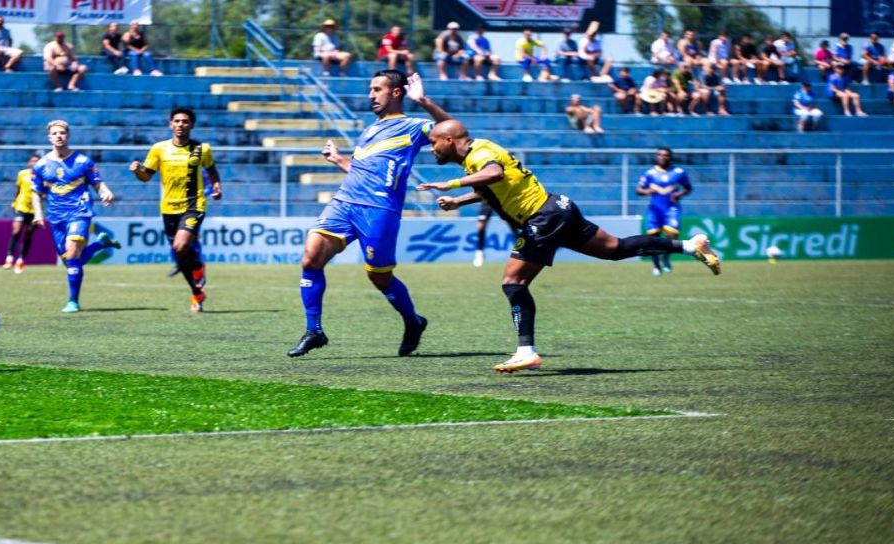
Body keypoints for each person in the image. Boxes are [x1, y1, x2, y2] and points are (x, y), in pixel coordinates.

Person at [417, 120, 720, 373]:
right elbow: (494, 184)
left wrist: (451, 185)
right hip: (558, 207)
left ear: (448, 139)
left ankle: (526, 352)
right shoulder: (478, 152)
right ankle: (690, 246)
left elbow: (493, 173)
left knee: (513, 282)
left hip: (543, 216)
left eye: (434, 142)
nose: (432, 148)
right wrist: (459, 201)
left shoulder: (480, 154)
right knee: (615, 248)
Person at [286, 71, 451, 358]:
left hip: (379, 210)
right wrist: (339, 159)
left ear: (396, 93)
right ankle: (314, 331)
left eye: (377, 89)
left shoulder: (413, 127)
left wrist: (423, 100)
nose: (371, 95)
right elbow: (362, 172)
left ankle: (413, 322)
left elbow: (453, 131)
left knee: (379, 276)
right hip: (345, 202)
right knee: (310, 258)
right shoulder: (369, 129)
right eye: (370, 89)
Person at [130, 107, 223, 313]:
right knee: (179, 252)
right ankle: (197, 290)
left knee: (181, 246)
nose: (181, 125)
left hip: (194, 205)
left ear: (191, 125)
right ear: (170, 124)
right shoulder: (159, 149)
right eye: (177, 121)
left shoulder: (202, 149)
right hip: (168, 207)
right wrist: (138, 171)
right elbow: (146, 176)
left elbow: (211, 170)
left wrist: (217, 186)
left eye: (185, 121)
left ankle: (197, 271)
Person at [31, 120, 116, 312]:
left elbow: (98, 182)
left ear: (68, 136)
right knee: (70, 260)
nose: (59, 136)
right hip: (56, 216)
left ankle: (73, 301)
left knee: (72, 252)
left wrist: (105, 191)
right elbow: (35, 192)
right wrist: (38, 213)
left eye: (62, 133)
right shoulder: (41, 165)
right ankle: (101, 244)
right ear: (49, 137)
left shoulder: (83, 162)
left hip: (80, 212)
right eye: (55, 133)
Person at [636, 148, 692, 276]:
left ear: (670, 157)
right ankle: (656, 267)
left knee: (671, 237)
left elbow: (688, 188)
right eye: (660, 155)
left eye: (665, 155)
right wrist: (646, 192)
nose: (662, 157)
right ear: (657, 157)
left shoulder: (679, 172)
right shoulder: (650, 173)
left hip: (671, 209)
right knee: (652, 240)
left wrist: (680, 194)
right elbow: (638, 190)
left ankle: (666, 260)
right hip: (655, 210)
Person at [4, 154, 41, 273]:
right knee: (17, 230)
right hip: (21, 206)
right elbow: (18, 189)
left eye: (37, 161)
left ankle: (21, 261)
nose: (34, 163)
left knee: (29, 234)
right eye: (33, 161)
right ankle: (9, 258)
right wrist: (14, 202)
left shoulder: (43, 176)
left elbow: (45, 193)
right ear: (29, 162)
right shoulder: (22, 174)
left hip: (35, 210)